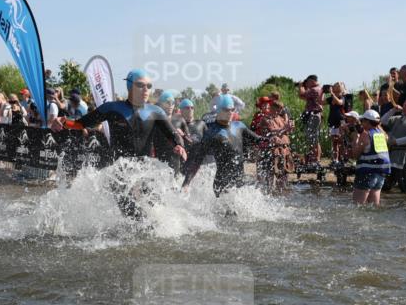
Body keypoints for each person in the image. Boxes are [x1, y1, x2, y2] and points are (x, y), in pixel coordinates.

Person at [49, 69, 186, 218]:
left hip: (144, 168)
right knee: (133, 215)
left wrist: (179, 146)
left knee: (157, 209)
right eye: (140, 85)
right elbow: (81, 124)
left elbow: (172, 134)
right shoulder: (112, 108)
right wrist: (63, 122)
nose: (146, 89)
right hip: (119, 170)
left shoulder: (156, 111)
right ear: (129, 86)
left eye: (149, 86)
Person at [182, 96, 261, 197]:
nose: (230, 112)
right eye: (226, 110)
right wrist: (186, 183)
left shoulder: (239, 126)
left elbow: (258, 140)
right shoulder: (211, 133)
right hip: (223, 184)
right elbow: (198, 159)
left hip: (241, 182)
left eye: (232, 110)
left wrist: (274, 138)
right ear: (218, 111)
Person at [382, 98, 406, 193]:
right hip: (393, 157)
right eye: (403, 105)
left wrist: (396, 141)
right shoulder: (397, 119)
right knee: (385, 187)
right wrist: (393, 110)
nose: (403, 107)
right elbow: (382, 121)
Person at [351, 109, 389, 206]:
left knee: (357, 207)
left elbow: (355, 155)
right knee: (374, 207)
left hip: (366, 174)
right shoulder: (383, 135)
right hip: (380, 174)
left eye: (363, 121)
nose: (361, 123)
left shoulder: (365, 135)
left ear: (367, 122)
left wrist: (355, 139)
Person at [297, 75, 325, 166]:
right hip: (314, 115)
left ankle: (316, 159)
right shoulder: (318, 89)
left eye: (307, 82)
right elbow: (305, 98)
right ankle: (315, 159)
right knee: (313, 137)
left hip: (314, 115)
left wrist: (301, 86)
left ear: (312, 81)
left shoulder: (314, 89)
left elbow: (301, 95)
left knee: (313, 138)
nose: (307, 84)